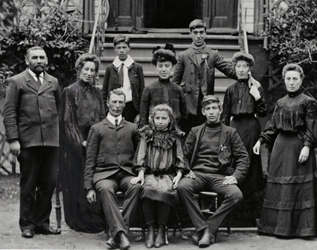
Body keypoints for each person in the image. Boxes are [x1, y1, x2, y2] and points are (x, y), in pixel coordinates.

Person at [3, 46, 62, 238]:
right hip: (28, 142)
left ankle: (42, 223)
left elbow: (58, 111)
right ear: (27, 60)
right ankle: (27, 225)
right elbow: (10, 112)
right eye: (35, 57)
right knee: (28, 185)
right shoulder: (17, 81)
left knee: (49, 184)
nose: (39, 61)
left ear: (47, 60)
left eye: (42, 57)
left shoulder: (53, 82)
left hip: (51, 143)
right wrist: (13, 139)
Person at [253, 63, 317, 237]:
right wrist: (261, 140)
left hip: (299, 147)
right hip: (280, 148)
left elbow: (311, 126)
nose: (291, 82)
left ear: (301, 80)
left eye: (295, 79)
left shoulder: (309, 102)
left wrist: (307, 146)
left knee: (299, 188)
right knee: (280, 188)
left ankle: (302, 230)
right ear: (284, 80)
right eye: (288, 79)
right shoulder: (280, 102)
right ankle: (278, 228)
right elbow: (273, 126)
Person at [177, 95, 250, 248]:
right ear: (203, 112)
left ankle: (207, 230)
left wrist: (236, 176)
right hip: (197, 174)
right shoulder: (195, 131)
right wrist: (186, 169)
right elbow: (183, 155)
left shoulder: (230, 132)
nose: (211, 112)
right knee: (183, 187)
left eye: (214, 108)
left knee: (236, 195)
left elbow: (243, 157)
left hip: (220, 176)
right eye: (208, 109)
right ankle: (204, 229)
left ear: (220, 110)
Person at [84, 89, 142, 250]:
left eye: (120, 102)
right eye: (114, 102)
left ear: (125, 104)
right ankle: (122, 235)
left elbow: (139, 155)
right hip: (104, 175)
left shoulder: (131, 128)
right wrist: (89, 187)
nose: (117, 106)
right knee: (106, 189)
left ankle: (117, 234)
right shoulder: (97, 129)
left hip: (126, 173)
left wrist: (139, 173)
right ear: (107, 103)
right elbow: (90, 159)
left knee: (136, 187)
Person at [131, 104, 189, 248]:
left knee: (165, 190)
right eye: (157, 118)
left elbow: (180, 157)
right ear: (152, 119)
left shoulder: (175, 137)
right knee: (147, 190)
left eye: (164, 118)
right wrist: (141, 173)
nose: (160, 121)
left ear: (170, 120)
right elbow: (141, 155)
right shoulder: (147, 135)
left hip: (168, 174)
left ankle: (161, 230)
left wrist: (179, 174)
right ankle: (151, 229)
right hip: (150, 173)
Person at [59, 53, 106, 232]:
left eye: (92, 70)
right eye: (86, 69)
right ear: (79, 69)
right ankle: (77, 220)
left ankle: (94, 217)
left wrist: (99, 140)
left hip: (94, 139)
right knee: (77, 180)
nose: (89, 73)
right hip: (76, 142)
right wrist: (82, 143)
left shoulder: (97, 92)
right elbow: (68, 121)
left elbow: (101, 117)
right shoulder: (69, 91)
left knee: (92, 180)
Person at [220, 52, 267, 221]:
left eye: (244, 66)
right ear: (234, 68)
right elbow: (225, 115)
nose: (241, 69)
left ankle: (252, 213)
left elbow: (263, 112)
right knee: (235, 162)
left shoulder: (256, 86)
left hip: (251, 128)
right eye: (238, 66)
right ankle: (235, 209)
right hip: (235, 127)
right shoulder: (230, 90)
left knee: (251, 164)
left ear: (249, 68)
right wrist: (223, 135)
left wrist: (257, 97)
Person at [172, 19, 236, 134]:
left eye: (201, 32)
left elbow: (229, 70)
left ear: (205, 33)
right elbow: (175, 82)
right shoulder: (183, 56)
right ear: (190, 34)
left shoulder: (213, 54)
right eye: (195, 33)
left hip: (205, 104)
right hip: (188, 106)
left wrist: (247, 76)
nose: (199, 36)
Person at [139, 44, 187, 129]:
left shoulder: (178, 89)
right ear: (156, 68)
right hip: (155, 131)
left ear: (172, 67)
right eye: (160, 66)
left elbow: (184, 115)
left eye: (167, 66)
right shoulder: (149, 89)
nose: (164, 69)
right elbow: (143, 115)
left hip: (174, 132)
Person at [102, 34, 145, 123]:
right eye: (119, 48)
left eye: (124, 47)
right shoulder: (110, 68)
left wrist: (141, 112)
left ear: (129, 48)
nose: (122, 50)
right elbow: (104, 91)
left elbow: (142, 91)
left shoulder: (137, 67)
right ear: (114, 49)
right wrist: (105, 110)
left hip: (131, 106)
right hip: (115, 105)